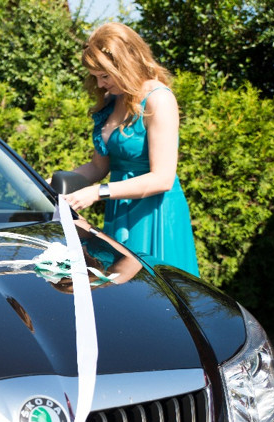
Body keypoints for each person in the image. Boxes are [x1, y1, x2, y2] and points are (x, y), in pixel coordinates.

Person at [62, 22, 200, 276]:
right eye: (95, 77)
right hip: (120, 209)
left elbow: (163, 178)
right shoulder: (111, 100)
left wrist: (97, 193)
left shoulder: (159, 99)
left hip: (154, 214)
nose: (100, 84)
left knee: (154, 288)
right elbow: (97, 167)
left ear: (125, 63)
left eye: (105, 76)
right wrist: (48, 184)